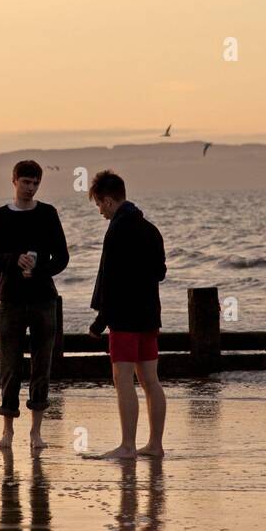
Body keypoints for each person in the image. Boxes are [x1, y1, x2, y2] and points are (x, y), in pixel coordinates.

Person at [0, 159, 69, 451]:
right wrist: (13, 260)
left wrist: (40, 267)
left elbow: (63, 258)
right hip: (11, 299)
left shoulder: (48, 214)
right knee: (9, 365)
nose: (30, 188)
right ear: (14, 181)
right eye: (26, 182)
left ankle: (36, 431)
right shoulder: (0, 216)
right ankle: (7, 430)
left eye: (35, 183)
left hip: (44, 298)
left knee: (42, 364)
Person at [86, 170, 167, 459]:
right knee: (151, 381)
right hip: (149, 316)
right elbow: (160, 273)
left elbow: (111, 283)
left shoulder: (117, 231)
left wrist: (99, 322)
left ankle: (128, 446)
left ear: (108, 201)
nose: (100, 211)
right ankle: (155, 445)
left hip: (124, 319)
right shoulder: (150, 229)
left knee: (123, 379)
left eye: (98, 204)